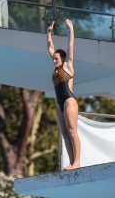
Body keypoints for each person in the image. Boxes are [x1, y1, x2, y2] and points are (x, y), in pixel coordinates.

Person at [47, 19, 81, 170]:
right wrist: (48, 32)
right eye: (53, 58)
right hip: (59, 104)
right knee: (64, 133)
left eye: (56, 58)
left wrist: (71, 29)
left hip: (68, 100)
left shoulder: (67, 65)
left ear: (62, 58)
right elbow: (50, 47)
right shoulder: (55, 69)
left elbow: (71, 45)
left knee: (72, 131)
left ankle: (77, 162)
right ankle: (71, 161)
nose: (54, 60)